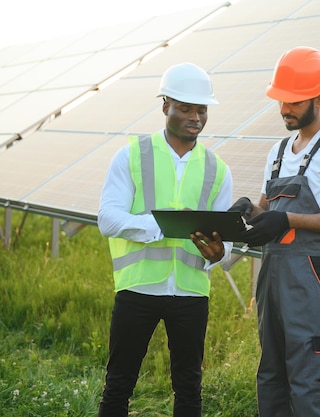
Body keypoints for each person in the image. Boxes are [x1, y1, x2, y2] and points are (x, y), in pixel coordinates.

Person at [230, 46, 320, 417]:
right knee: (272, 380)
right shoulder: (277, 151)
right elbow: (267, 213)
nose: (285, 109)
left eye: (294, 100)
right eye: (281, 100)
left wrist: (288, 221)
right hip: (273, 283)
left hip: (314, 286)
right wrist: (248, 211)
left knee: (311, 391)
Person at [97, 62, 233, 417]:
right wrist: (159, 227)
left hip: (190, 293)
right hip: (138, 290)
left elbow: (225, 239)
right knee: (118, 385)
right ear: (165, 107)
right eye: (185, 108)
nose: (195, 117)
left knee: (189, 388)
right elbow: (108, 218)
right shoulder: (131, 155)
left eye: (201, 109)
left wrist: (219, 253)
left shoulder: (218, 169)